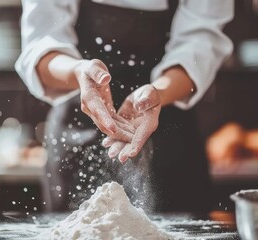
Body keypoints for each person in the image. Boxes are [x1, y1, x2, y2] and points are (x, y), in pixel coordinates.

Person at [16, 0, 234, 212]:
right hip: (76, 130)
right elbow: (40, 44)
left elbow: (202, 42)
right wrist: (78, 72)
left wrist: (158, 93)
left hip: (167, 128)